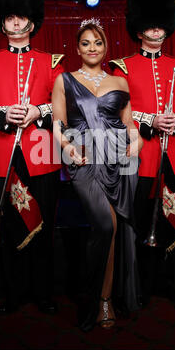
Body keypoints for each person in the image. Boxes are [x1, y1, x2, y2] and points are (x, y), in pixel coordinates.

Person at [0, 0, 64, 315]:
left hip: (44, 156)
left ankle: (43, 293)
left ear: (33, 20)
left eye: (21, 17)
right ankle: (13, 293)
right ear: (1, 22)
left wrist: (38, 111)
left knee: (45, 227)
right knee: (9, 228)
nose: (16, 24)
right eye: (10, 18)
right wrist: (3, 115)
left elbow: (63, 103)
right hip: (6, 157)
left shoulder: (52, 62)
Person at [110, 0, 175, 305]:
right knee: (137, 224)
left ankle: (169, 283)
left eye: (161, 25)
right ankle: (139, 286)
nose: (156, 31)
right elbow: (118, 109)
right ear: (139, 28)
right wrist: (149, 120)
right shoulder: (122, 67)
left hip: (171, 157)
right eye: (151, 25)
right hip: (140, 158)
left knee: (169, 222)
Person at [52, 18, 143, 332]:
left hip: (119, 161)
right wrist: (67, 148)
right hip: (85, 161)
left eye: (98, 42)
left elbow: (129, 123)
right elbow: (58, 124)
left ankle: (107, 299)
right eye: (86, 43)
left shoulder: (120, 82)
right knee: (106, 225)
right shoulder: (64, 80)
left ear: (106, 47)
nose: (92, 48)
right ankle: (97, 300)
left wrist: (138, 139)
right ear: (78, 48)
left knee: (117, 228)